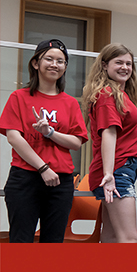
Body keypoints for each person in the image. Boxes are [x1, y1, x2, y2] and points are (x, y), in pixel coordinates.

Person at [0, 39, 87, 242]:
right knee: (21, 241)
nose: (54, 64)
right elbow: (13, 137)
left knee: (53, 243)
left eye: (60, 61)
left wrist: (50, 133)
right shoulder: (19, 97)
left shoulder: (71, 103)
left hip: (61, 181)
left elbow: (76, 142)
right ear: (35, 63)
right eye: (49, 59)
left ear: (65, 67)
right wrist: (43, 168)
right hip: (25, 178)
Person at [82, 43, 137, 243]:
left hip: (120, 169)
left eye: (128, 63)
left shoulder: (119, 94)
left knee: (112, 236)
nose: (125, 67)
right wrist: (109, 175)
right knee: (129, 238)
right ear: (105, 65)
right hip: (116, 171)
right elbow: (108, 134)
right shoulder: (108, 95)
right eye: (119, 63)